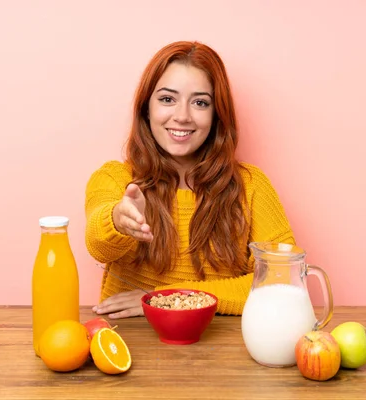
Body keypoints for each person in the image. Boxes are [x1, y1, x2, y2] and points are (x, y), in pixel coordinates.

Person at [85, 41, 296, 319]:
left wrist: (166, 298)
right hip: (132, 349)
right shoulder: (116, 178)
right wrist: (117, 220)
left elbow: (283, 278)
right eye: (167, 99)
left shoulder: (251, 186)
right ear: (146, 108)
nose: (182, 116)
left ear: (216, 114)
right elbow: (97, 244)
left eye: (199, 102)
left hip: (220, 351)